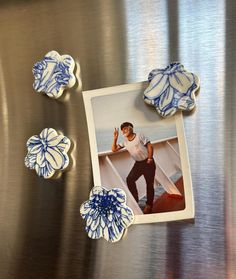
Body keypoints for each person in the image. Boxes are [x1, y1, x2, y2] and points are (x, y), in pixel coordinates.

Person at [111, 122, 156, 214]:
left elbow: (150, 146)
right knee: (130, 179)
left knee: (149, 184)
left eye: (126, 128)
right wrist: (115, 138)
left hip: (148, 162)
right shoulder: (125, 141)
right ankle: (135, 199)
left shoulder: (139, 135)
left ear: (131, 128)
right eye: (123, 129)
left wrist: (150, 158)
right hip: (138, 164)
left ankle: (149, 205)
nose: (125, 130)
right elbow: (114, 149)